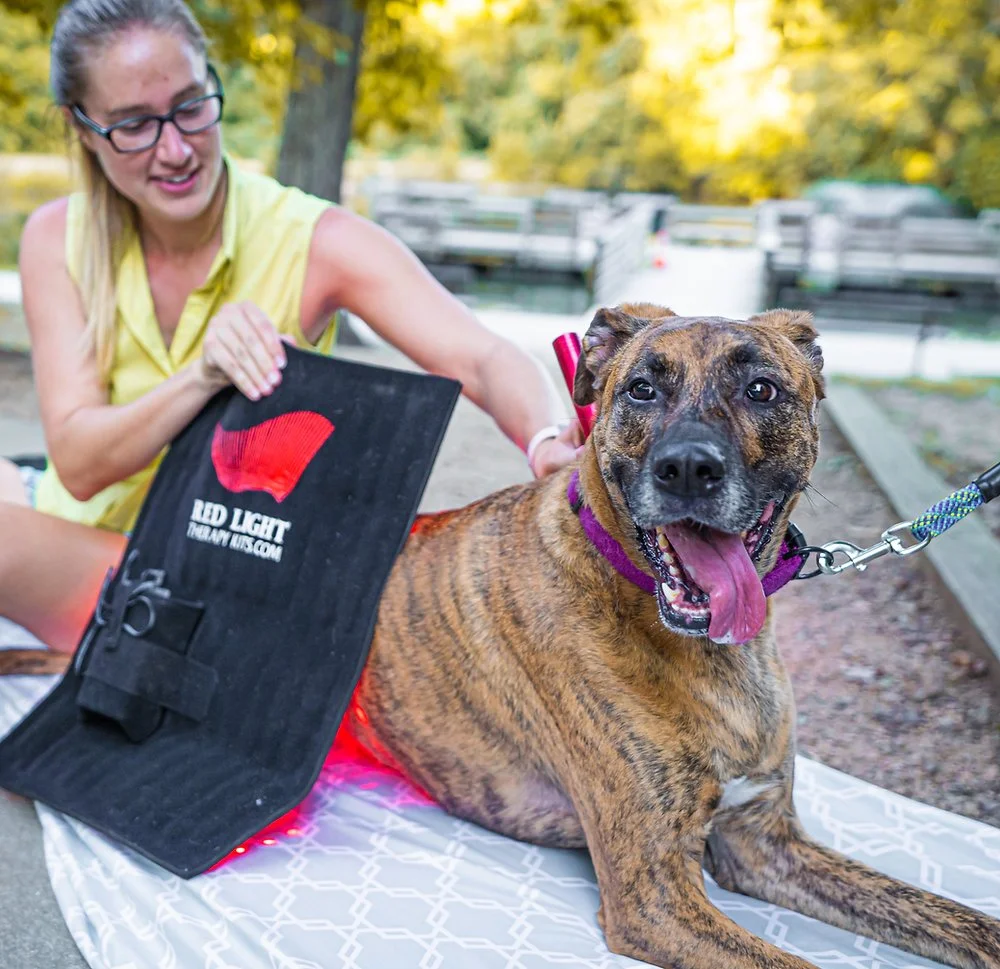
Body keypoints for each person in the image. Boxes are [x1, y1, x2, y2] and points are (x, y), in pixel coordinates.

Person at [0, 0, 581, 654]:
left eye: (191, 106)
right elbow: (79, 465)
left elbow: (481, 356)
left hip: (221, 567)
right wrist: (201, 378)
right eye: (134, 124)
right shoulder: (56, 235)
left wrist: (542, 437)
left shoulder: (312, 238)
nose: (176, 148)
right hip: (77, 541)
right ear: (81, 128)